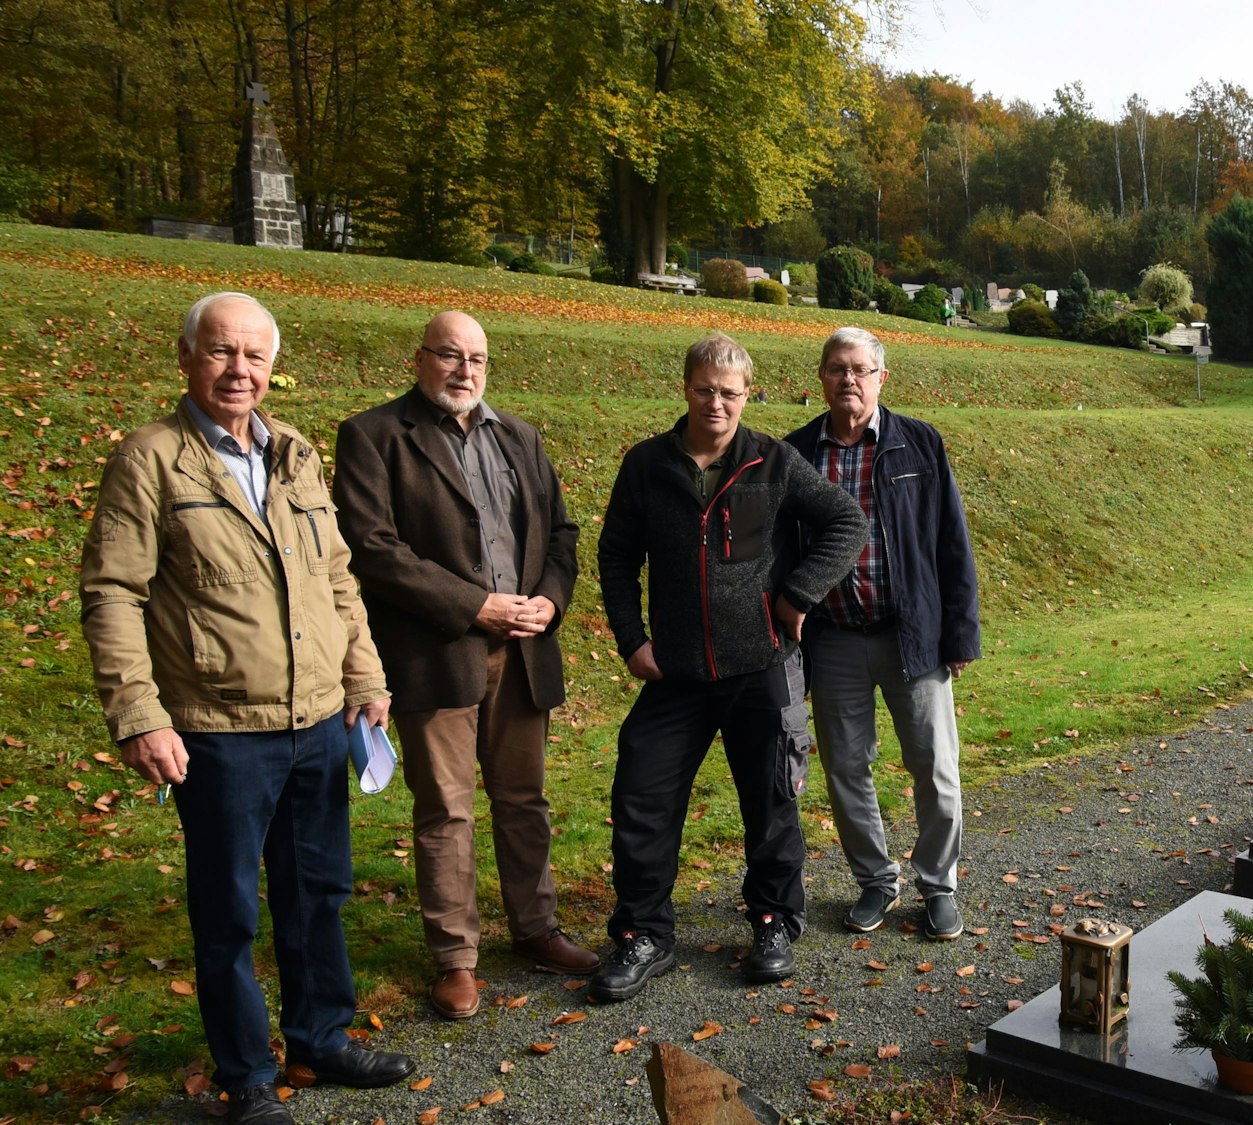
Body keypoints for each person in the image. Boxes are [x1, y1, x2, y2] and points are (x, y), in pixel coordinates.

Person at [79, 293, 414, 1125]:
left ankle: (322, 1038)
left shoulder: (294, 451)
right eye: (223, 352)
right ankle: (247, 1077)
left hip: (316, 721)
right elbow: (113, 593)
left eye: (255, 356)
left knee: (320, 891)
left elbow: (338, 579)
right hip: (218, 730)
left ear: (272, 365)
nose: (241, 370)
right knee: (228, 909)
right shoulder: (151, 460)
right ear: (186, 356)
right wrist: (140, 714)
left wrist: (366, 679)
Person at [332, 312, 595, 1021]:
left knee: (523, 799)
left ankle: (536, 928)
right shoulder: (375, 436)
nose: (464, 370)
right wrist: (476, 605)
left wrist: (549, 599)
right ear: (419, 357)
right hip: (437, 653)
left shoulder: (520, 437)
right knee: (445, 808)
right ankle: (456, 958)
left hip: (524, 651)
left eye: (476, 357)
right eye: (449, 355)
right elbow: (373, 547)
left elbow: (562, 532)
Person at [592, 332, 866, 1000]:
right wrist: (633, 640)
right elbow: (616, 555)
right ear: (686, 389)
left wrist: (799, 594)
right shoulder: (647, 466)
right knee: (642, 798)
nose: (717, 402)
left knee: (772, 802)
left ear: (748, 395)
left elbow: (845, 520)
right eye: (705, 389)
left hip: (759, 668)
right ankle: (644, 934)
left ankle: (773, 920)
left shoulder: (772, 462)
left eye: (730, 393)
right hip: (676, 674)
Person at [785, 327, 981, 941]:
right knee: (846, 768)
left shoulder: (918, 444)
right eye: (838, 368)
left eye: (861, 369)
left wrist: (960, 634)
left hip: (913, 634)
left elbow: (952, 543)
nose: (849, 379)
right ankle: (875, 880)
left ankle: (938, 885)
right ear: (821, 377)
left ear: (881, 379)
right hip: (834, 638)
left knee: (935, 766)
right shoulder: (795, 455)